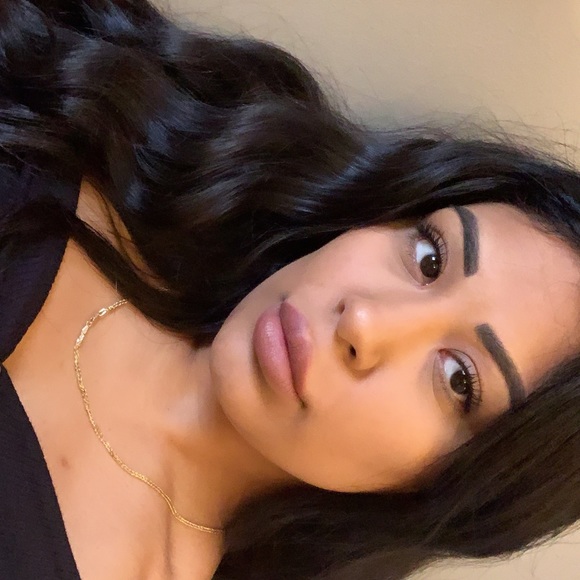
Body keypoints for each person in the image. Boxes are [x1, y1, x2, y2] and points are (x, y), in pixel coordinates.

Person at [0, 0, 579, 579]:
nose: (365, 321)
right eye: (430, 257)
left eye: (459, 380)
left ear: (450, 489)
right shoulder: (108, 123)